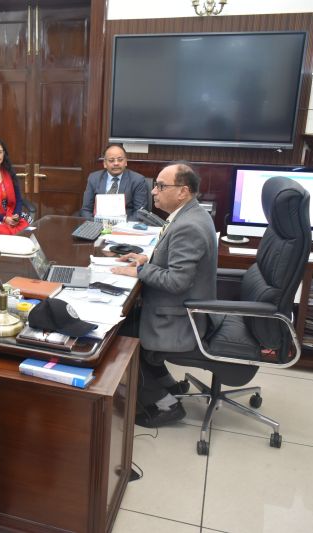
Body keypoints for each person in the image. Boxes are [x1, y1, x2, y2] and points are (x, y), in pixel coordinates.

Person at [111, 162, 217, 427]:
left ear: (183, 191)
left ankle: (165, 405)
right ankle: (169, 385)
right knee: (128, 319)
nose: (154, 191)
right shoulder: (189, 215)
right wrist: (148, 257)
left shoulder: (188, 226)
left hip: (178, 317)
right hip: (180, 307)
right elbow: (175, 262)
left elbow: (177, 280)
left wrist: (140, 271)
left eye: (161, 186)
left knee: (118, 337)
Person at [79, 143, 149, 221]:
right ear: (105, 163)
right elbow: (86, 210)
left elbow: (140, 212)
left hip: (125, 226)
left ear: (125, 162)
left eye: (120, 160)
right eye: (111, 160)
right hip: (98, 224)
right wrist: (95, 224)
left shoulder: (137, 180)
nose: (116, 163)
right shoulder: (94, 178)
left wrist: (121, 226)